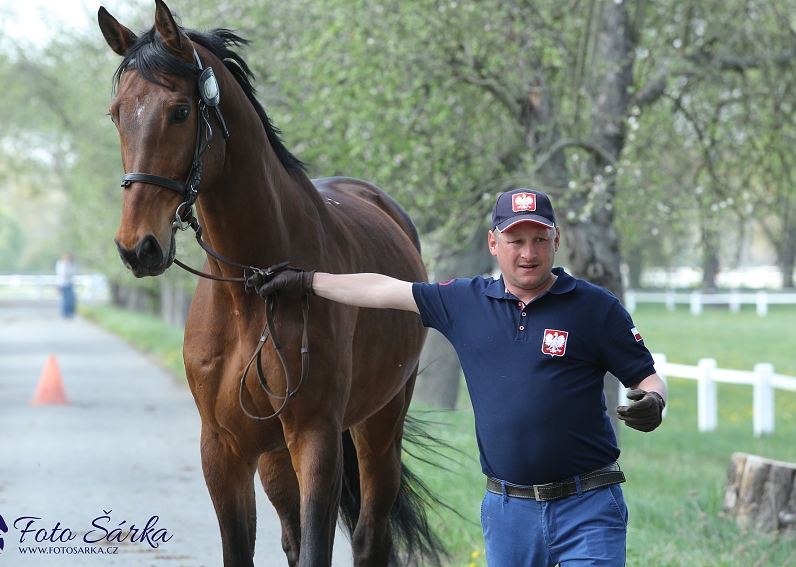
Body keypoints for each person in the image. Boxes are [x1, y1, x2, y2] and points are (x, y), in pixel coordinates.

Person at [257, 188, 667, 567]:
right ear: (494, 243)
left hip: (588, 505)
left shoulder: (595, 308)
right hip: (509, 512)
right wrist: (306, 281)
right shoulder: (465, 301)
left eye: (539, 239)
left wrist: (655, 401)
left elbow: (647, 378)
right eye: (515, 240)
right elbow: (382, 289)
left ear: (555, 240)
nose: (528, 252)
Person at [55, 253, 76, 318]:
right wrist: (57, 285)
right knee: (65, 299)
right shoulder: (61, 265)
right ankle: (65, 313)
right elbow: (61, 274)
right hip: (63, 284)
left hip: (69, 284)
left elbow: (73, 272)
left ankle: (70, 313)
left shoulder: (71, 265)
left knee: (71, 299)